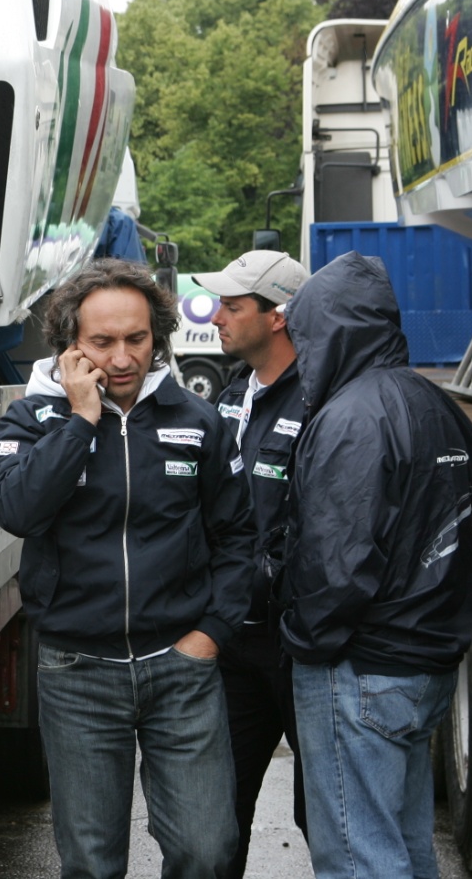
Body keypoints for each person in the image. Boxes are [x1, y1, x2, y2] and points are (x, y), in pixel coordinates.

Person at [0, 258, 255, 878]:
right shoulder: (33, 420)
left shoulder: (198, 422)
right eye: (102, 342)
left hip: (181, 668)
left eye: (137, 338)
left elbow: (238, 536)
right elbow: (17, 509)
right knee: (92, 864)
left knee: (207, 851)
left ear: (157, 335)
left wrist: (211, 634)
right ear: (71, 345)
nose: (123, 357)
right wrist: (81, 420)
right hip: (77, 671)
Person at [279, 251, 472, 879]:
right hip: (425, 663)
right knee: (409, 849)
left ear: (330, 330)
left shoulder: (350, 419)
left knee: (358, 859)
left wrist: (302, 643)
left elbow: (335, 565)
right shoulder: (439, 405)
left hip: (360, 668)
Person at [191, 249, 310, 875]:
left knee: (327, 816)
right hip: (233, 639)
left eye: (233, 306)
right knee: (214, 822)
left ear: (278, 316)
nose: (216, 317)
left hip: (301, 647)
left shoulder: (320, 398)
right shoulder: (235, 392)